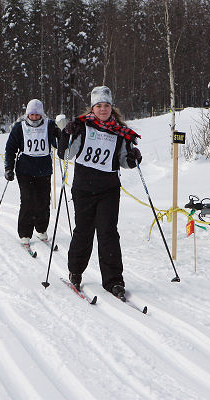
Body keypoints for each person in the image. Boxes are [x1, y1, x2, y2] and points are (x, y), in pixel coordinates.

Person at [56, 86, 142, 300]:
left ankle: (113, 281)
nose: (103, 109)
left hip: (108, 189)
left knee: (108, 233)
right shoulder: (82, 127)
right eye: (98, 106)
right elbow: (66, 155)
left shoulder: (120, 131)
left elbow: (123, 160)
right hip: (84, 188)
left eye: (106, 105)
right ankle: (75, 272)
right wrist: (66, 135)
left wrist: (133, 160)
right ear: (92, 108)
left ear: (111, 107)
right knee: (83, 231)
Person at [4, 99, 60, 245]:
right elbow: (10, 148)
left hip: (44, 169)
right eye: (31, 114)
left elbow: (59, 144)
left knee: (43, 201)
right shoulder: (19, 127)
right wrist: (8, 168)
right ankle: (25, 233)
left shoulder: (50, 125)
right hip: (25, 170)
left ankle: (41, 229)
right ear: (27, 114)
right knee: (28, 200)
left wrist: (60, 134)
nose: (34, 117)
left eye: (37, 115)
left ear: (42, 114)